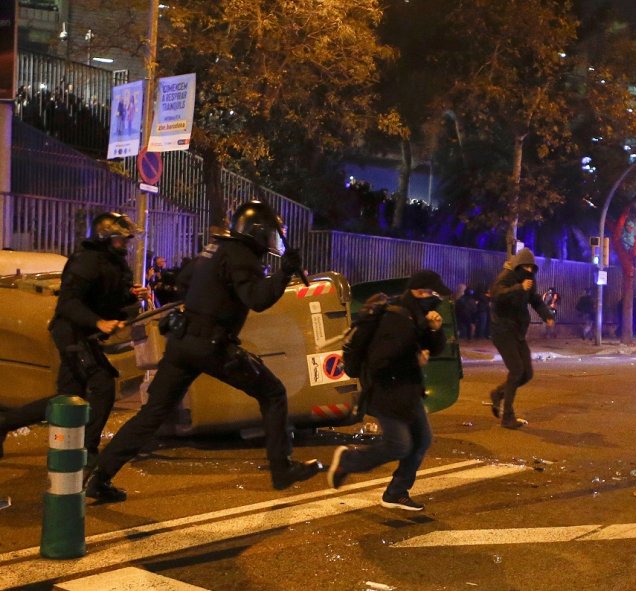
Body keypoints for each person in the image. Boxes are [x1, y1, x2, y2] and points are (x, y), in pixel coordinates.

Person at [85, 200, 321, 502]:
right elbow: (257, 298)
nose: (275, 240)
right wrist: (284, 273)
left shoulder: (216, 248)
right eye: (273, 233)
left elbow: (184, 280)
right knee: (272, 393)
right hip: (211, 346)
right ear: (258, 233)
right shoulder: (243, 256)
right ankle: (281, 467)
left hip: (183, 341)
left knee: (152, 414)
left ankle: (100, 478)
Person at [0, 212, 147, 466]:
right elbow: (69, 303)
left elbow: (111, 297)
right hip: (72, 333)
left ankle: (4, 423)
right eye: (120, 239)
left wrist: (132, 296)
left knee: (67, 396)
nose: (126, 244)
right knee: (102, 385)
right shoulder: (86, 262)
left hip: (85, 334)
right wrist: (98, 322)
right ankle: (88, 450)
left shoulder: (113, 262)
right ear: (105, 237)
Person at [328, 270, 450, 511]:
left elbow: (432, 348)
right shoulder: (397, 318)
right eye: (432, 293)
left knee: (422, 440)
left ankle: (396, 492)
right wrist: (414, 360)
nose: (435, 298)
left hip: (408, 391)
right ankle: (347, 461)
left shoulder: (416, 314)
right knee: (400, 445)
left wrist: (435, 329)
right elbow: (380, 361)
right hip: (387, 392)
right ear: (420, 292)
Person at [489, 248, 555, 429]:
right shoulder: (507, 276)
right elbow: (496, 294)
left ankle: (498, 394)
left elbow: (535, 300)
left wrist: (547, 316)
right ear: (518, 265)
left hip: (518, 332)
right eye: (525, 266)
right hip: (502, 331)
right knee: (517, 370)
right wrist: (519, 288)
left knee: (527, 374)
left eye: (531, 268)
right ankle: (507, 417)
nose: (529, 270)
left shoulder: (530, 281)